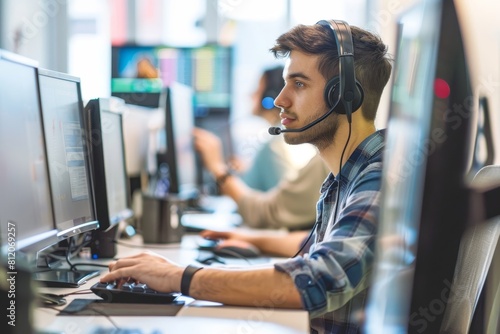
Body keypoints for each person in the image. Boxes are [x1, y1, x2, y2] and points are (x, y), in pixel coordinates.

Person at [101, 19, 392, 333]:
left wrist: (179, 277)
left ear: (343, 95)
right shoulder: (345, 177)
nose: (280, 99)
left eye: (299, 84)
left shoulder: (380, 179)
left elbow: (321, 280)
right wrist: (249, 240)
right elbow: (327, 247)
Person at [193, 65, 329, 230]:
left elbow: (280, 211)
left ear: (269, 97)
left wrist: (217, 168)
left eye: (257, 89)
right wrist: (249, 172)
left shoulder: (279, 145)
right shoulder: (280, 141)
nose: (251, 95)